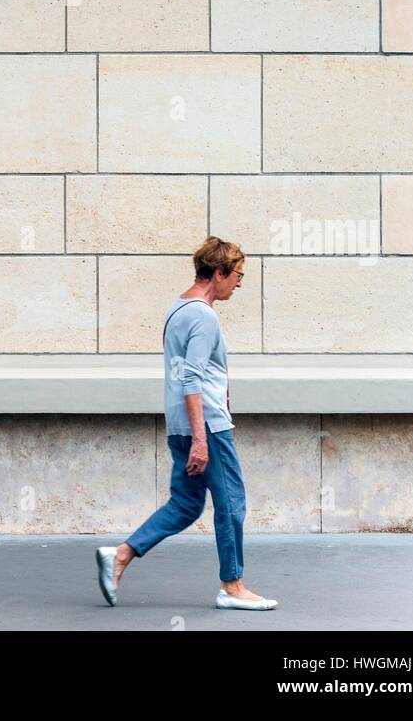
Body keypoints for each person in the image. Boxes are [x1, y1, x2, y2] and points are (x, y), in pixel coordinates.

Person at [96, 236, 278, 611]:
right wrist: (201, 439)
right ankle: (232, 586)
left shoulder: (177, 309)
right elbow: (191, 378)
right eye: (238, 275)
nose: (240, 283)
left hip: (181, 424)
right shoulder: (202, 315)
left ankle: (120, 556)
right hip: (207, 427)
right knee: (232, 504)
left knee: (186, 504)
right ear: (218, 272)